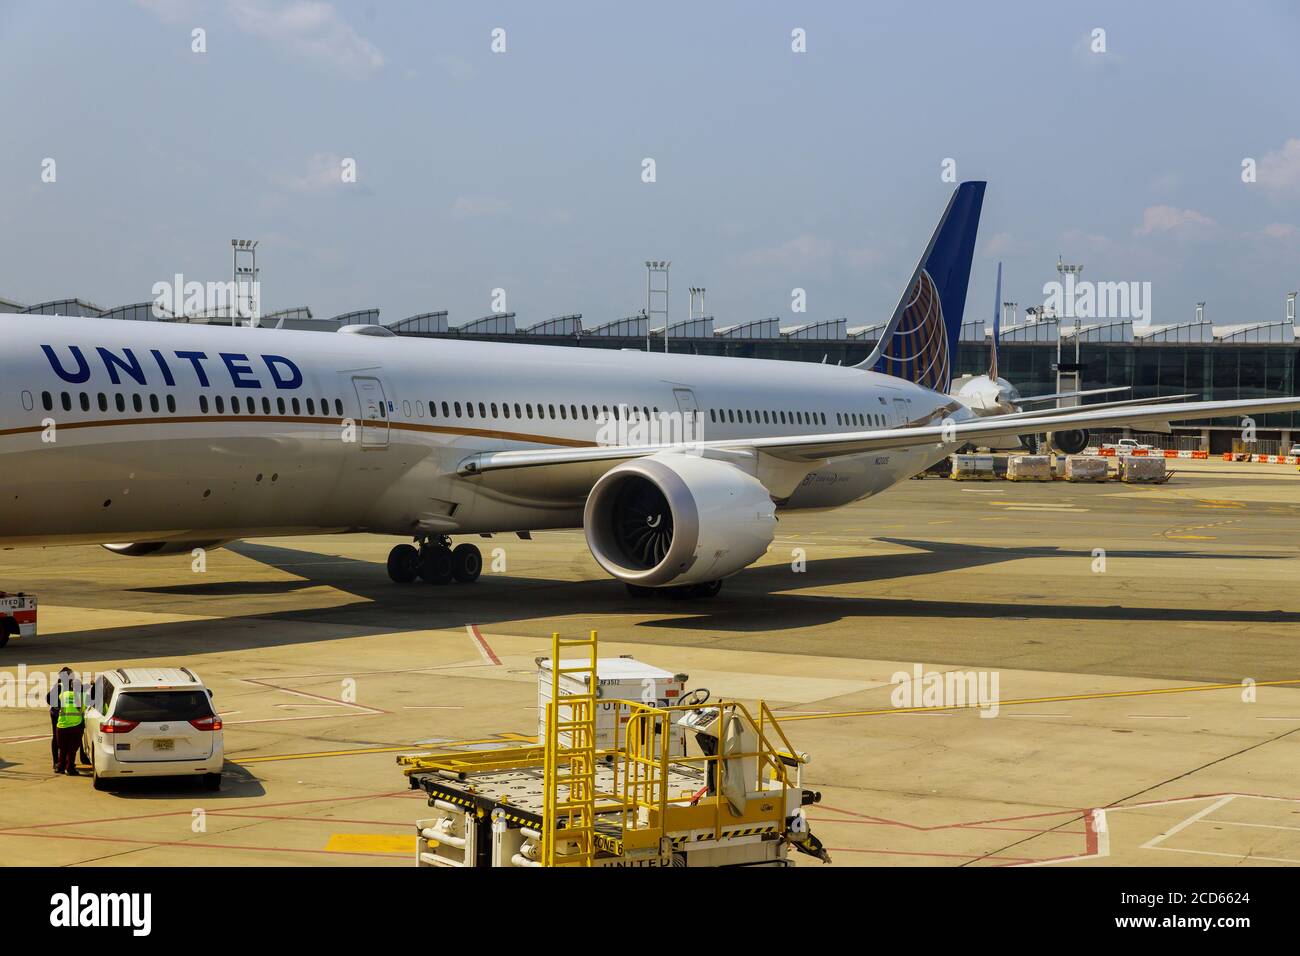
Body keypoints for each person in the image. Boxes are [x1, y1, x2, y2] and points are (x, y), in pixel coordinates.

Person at [47, 668, 89, 771]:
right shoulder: (60, 687)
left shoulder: (69, 685)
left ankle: (62, 763)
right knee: (61, 740)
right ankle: (58, 762)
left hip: (62, 716)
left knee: (62, 740)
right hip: (58, 716)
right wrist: (58, 707)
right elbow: (48, 698)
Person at [54, 680, 85, 776]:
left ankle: (60, 767)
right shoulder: (82, 696)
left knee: (62, 748)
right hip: (75, 726)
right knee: (72, 750)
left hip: (62, 725)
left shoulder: (63, 695)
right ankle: (70, 768)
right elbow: (83, 709)